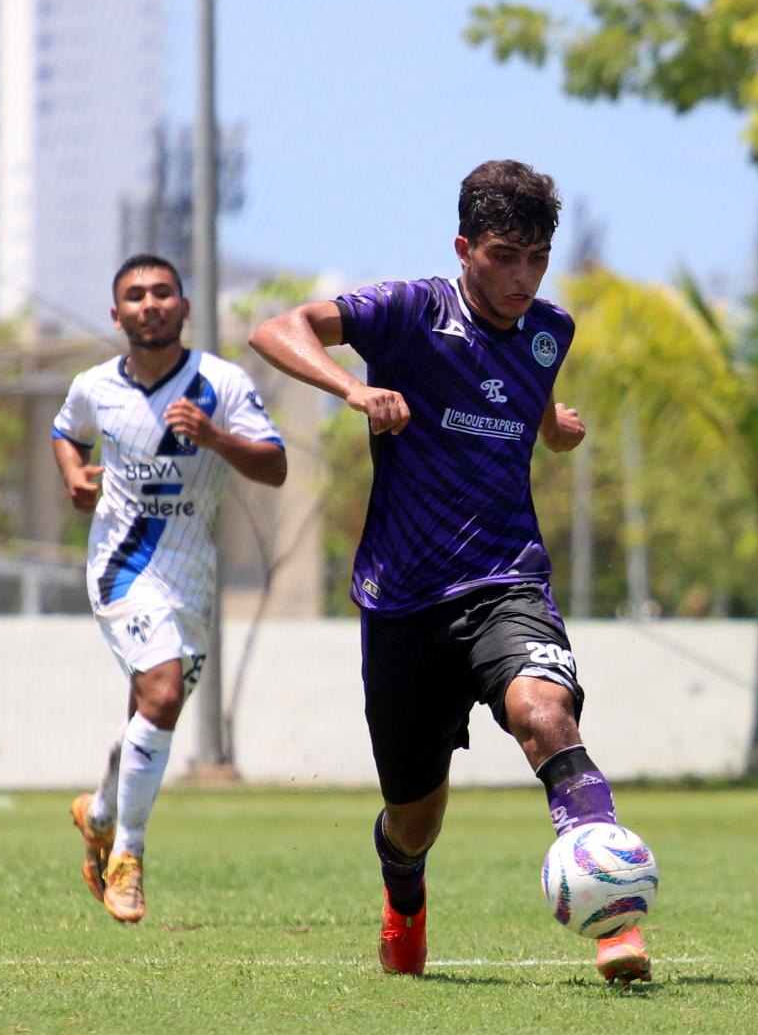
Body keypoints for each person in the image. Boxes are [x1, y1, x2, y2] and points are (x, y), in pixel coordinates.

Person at [247, 159, 652, 987]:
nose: (521, 277)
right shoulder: (408, 311)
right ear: (465, 247)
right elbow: (273, 329)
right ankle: (404, 892)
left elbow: (519, 390)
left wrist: (552, 425)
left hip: (505, 581)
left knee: (546, 712)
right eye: (504, 255)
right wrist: (353, 391)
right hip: (402, 603)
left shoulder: (550, 331)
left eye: (537, 258)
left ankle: (615, 917)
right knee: (412, 820)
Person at [52, 253, 287, 924]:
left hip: (192, 576)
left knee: (147, 712)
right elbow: (66, 432)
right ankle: (127, 854)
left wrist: (213, 436)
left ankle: (98, 813)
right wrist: (74, 474)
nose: (149, 303)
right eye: (135, 294)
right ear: (116, 313)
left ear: (183, 308)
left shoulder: (223, 382)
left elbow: (274, 466)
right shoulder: (95, 385)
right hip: (121, 566)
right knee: (159, 693)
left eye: (162, 293)